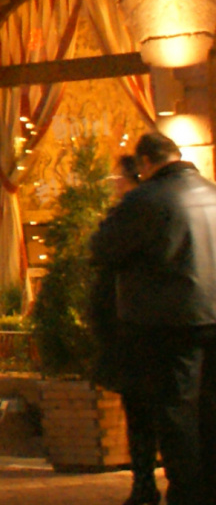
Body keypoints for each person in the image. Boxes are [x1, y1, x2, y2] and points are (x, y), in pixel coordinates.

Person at [91, 132, 216, 505]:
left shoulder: (144, 200)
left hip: (169, 323)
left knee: (176, 413)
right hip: (211, 318)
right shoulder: (211, 193)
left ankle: (189, 493)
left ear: (145, 162)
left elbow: (102, 248)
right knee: (209, 411)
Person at [94, 153, 161, 505]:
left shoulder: (134, 213)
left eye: (118, 178)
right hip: (138, 329)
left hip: (140, 330)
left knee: (145, 414)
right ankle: (148, 481)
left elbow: (103, 252)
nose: (115, 185)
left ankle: (147, 483)